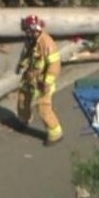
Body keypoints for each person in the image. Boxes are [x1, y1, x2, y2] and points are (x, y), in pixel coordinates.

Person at [17, 15, 63, 146]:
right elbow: (27, 55)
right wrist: (21, 65)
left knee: (43, 109)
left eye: (27, 30)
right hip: (30, 77)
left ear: (34, 29)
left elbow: (55, 65)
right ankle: (23, 120)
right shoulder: (30, 40)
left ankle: (55, 134)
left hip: (43, 82)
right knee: (22, 100)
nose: (25, 33)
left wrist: (47, 82)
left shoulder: (47, 43)